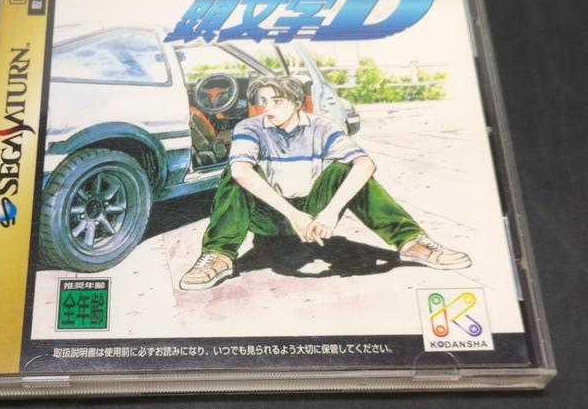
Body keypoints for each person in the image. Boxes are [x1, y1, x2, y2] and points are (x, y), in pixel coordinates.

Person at [180, 75, 471, 291]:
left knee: (347, 168)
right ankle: (218, 255)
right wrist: (293, 215)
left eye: (277, 101)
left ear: (296, 102)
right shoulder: (249, 127)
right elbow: (242, 171)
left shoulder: (322, 126)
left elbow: (365, 164)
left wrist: (329, 213)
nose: (268, 108)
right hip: (270, 216)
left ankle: (411, 242)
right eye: (264, 101)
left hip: (314, 209)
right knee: (235, 174)